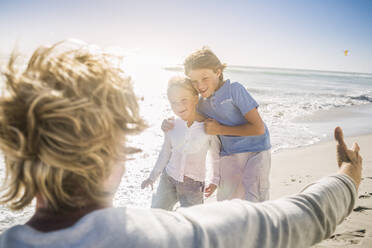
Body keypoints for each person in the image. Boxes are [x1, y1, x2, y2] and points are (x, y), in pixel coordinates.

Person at [0, 40, 362, 248]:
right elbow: (303, 217)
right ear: (117, 144)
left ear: (14, 152)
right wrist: (349, 171)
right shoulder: (185, 235)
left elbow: (219, 130)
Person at [162, 47, 271, 202]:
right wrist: (168, 122)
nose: (199, 85)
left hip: (256, 151)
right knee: (227, 201)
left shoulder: (235, 90)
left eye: (205, 78)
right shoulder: (201, 104)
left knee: (254, 198)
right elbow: (186, 116)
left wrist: (220, 129)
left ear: (218, 72)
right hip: (228, 154)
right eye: (194, 81)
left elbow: (258, 128)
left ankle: (261, 225)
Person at [141, 76, 220, 209]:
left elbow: (215, 156)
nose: (179, 106)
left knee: (192, 221)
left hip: (194, 185)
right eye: (173, 102)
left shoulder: (208, 127)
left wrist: (214, 180)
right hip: (168, 180)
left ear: (195, 98)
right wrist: (152, 177)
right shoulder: (171, 125)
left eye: (184, 100)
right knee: (157, 213)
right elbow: (165, 152)